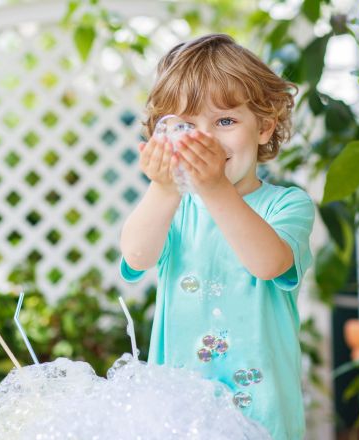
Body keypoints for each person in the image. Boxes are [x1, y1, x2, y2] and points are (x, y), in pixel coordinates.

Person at [119, 33, 315, 440]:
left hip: (262, 417)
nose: (205, 140)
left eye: (225, 121)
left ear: (264, 128)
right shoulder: (175, 207)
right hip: (176, 418)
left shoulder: (287, 206)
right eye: (186, 125)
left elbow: (268, 263)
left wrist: (214, 188)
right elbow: (136, 257)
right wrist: (165, 188)